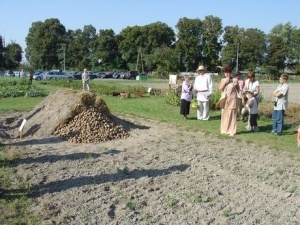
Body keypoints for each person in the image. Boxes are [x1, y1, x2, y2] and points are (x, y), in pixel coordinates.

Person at [219, 66, 240, 136]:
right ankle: (224, 129)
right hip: (225, 100)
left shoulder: (235, 80)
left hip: (233, 99)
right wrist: (225, 83)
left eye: (228, 72)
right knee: (224, 114)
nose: (227, 74)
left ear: (230, 73)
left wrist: (242, 98)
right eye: (225, 72)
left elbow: (239, 90)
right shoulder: (223, 80)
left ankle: (232, 131)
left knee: (232, 115)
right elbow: (220, 89)